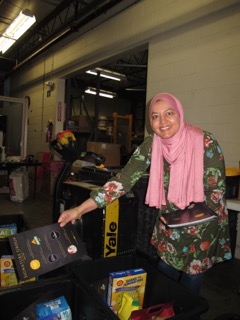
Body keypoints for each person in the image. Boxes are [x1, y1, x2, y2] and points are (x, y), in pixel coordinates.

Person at [58, 92, 232, 295]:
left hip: (202, 225)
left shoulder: (205, 142)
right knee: (165, 272)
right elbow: (122, 181)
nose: (163, 121)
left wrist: (185, 221)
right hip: (169, 224)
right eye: (155, 116)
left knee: (190, 281)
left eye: (169, 113)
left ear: (179, 114)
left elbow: (216, 193)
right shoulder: (152, 145)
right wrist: (79, 210)